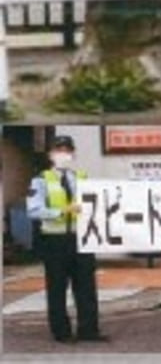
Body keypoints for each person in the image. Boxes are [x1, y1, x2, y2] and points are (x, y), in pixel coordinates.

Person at [26, 135, 106, 343]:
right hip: (55, 241)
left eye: (67, 150)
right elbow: (34, 210)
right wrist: (62, 211)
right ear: (50, 154)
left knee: (86, 286)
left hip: (81, 239)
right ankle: (62, 332)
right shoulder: (41, 180)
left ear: (73, 153)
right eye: (59, 149)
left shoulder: (81, 177)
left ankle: (89, 330)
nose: (64, 154)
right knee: (57, 287)